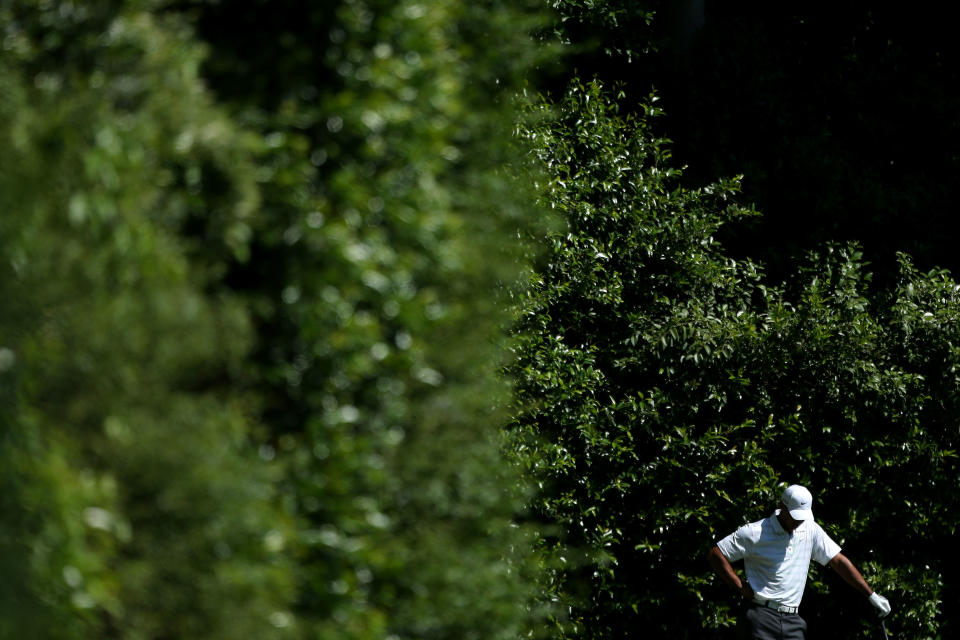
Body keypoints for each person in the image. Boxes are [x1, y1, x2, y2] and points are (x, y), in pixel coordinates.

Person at [706, 484, 891, 639]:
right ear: (782, 506)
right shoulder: (755, 532)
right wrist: (739, 587)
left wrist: (871, 595)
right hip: (761, 617)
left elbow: (838, 562)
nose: (799, 522)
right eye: (795, 516)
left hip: (793, 621)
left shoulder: (810, 529)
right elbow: (716, 553)